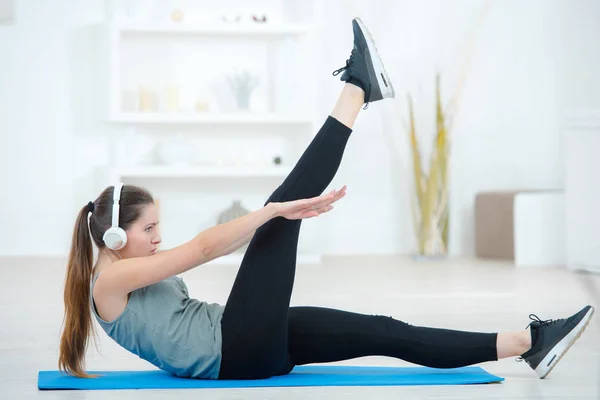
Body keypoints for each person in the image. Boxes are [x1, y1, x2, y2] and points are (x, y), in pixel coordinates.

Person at [59, 17, 594, 382]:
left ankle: (528, 344)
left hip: (249, 338)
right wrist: (272, 216)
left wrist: (270, 221)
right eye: (149, 229)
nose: (158, 238)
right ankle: (358, 88)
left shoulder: (126, 270)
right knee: (279, 207)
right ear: (114, 235)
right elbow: (200, 250)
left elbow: (211, 250)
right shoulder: (109, 281)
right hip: (237, 346)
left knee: (383, 331)